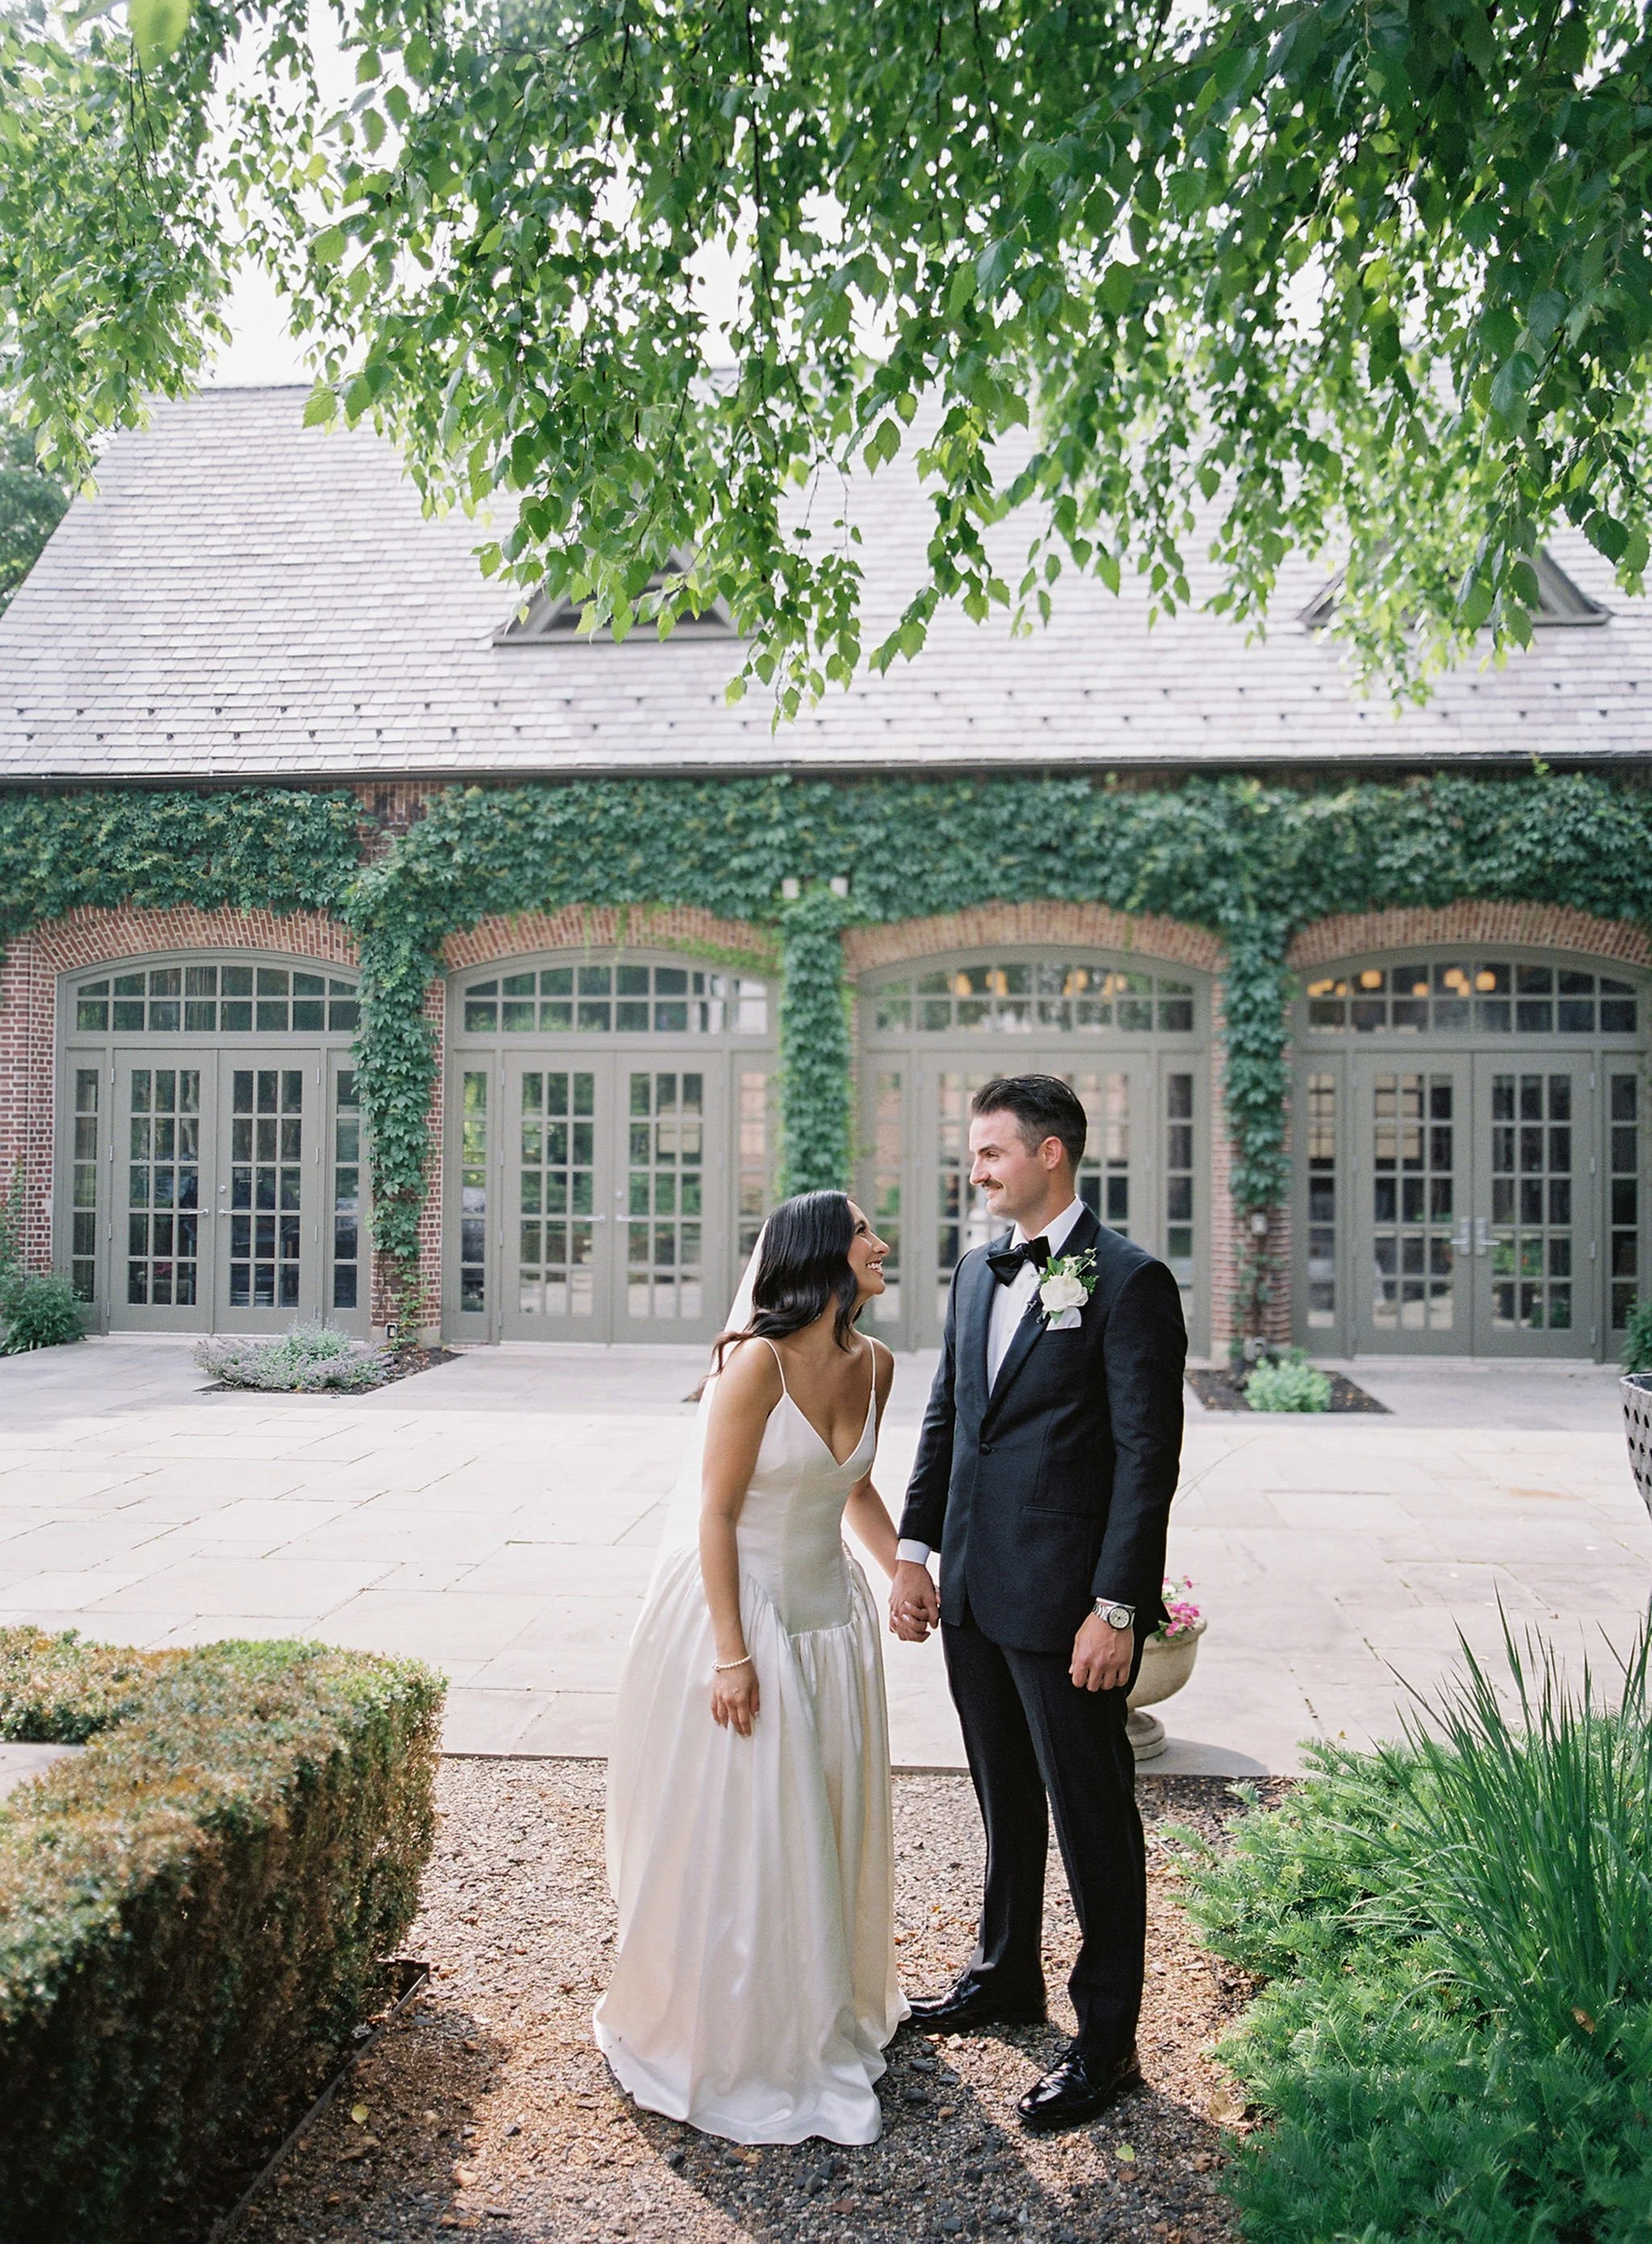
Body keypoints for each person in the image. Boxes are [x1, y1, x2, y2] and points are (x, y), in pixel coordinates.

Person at [889, 1073, 1187, 2133]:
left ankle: (1106, 2040)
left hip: (1067, 1609)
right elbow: (945, 1422)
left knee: (1094, 1819)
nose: (975, 1171)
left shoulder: (1131, 1280)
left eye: (990, 1153)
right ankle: (1003, 1970)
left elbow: (1148, 1459)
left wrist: (1117, 1606)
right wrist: (914, 1552)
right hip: (970, 1590)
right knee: (1003, 1801)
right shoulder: (975, 1269)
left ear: (1051, 1153)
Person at [596, 1191, 908, 2144]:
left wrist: (900, 1567)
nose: (879, 1243)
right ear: (820, 1251)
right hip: (745, 1617)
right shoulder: (752, 1368)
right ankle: (737, 2031)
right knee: (753, 1827)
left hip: (833, 1623)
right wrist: (732, 1655)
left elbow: (849, 1484)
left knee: (826, 1813)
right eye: (863, 1231)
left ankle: (824, 2007)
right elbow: (715, 1516)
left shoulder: (877, 1364)